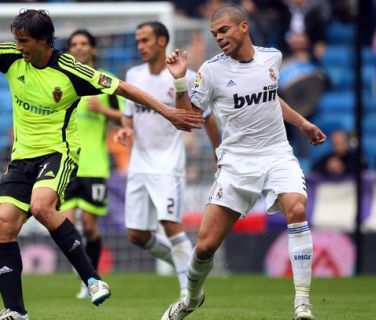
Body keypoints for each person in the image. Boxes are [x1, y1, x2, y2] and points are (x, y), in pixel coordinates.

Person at [0, 9, 202, 320]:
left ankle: (92, 279)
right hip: (20, 158)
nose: (19, 46)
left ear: (43, 40)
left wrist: (168, 112)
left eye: (24, 41)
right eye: (17, 40)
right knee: (2, 224)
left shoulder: (70, 70)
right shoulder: (10, 56)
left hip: (58, 153)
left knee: (41, 207)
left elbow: (123, 88)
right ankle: (15, 311)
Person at [161, 5, 326, 320]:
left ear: (244, 27)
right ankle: (191, 299)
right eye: (214, 34)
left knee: (297, 208)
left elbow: (270, 97)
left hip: (277, 153)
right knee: (205, 248)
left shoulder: (272, 57)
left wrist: (303, 123)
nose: (219, 37)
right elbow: (186, 118)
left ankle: (302, 303)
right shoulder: (211, 71)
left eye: (223, 30)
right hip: (236, 163)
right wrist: (181, 81)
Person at [114, 21, 219, 299]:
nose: (140, 46)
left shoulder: (185, 76)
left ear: (162, 41)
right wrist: (125, 128)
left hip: (168, 164)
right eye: (138, 41)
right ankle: (183, 264)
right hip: (139, 162)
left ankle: (189, 291)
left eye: (145, 40)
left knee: (170, 224)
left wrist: (218, 151)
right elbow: (128, 112)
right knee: (137, 235)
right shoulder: (133, 74)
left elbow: (206, 117)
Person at [60, 29, 123, 299]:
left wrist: (103, 110)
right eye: (74, 44)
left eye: (84, 43)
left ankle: (91, 280)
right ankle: (85, 273)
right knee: (63, 223)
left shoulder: (104, 82)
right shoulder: (61, 80)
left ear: (93, 49)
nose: (79, 48)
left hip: (94, 166)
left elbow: (124, 119)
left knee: (89, 226)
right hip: (65, 164)